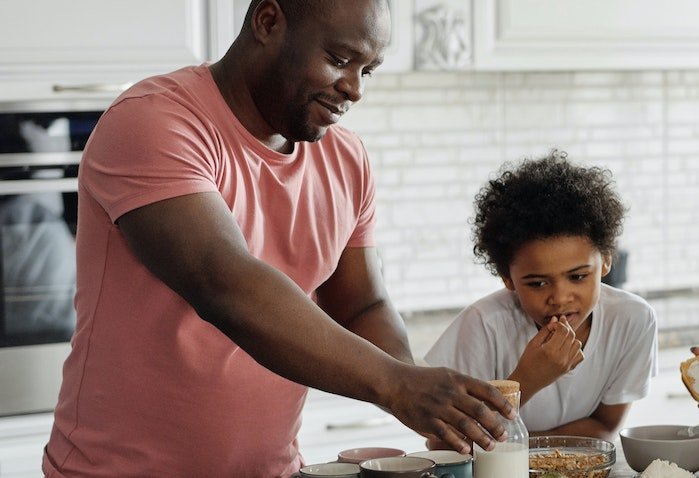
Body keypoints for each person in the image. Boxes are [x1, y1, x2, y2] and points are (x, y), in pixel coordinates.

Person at [43, 1, 512, 476]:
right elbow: (224, 285)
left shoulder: (345, 159)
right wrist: (395, 385)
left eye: (367, 70)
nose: (354, 88)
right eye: (339, 59)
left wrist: (420, 392)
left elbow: (361, 305)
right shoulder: (154, 121)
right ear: (268, 22)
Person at [426, 151, 657, 440]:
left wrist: (521, 446)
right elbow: (442, 442)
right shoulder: (484, 325)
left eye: (578, 277)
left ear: (607, 261)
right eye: (537, 283)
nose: (560, 298)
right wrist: (527, 380)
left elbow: (605, 427)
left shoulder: (633, 319)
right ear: (507, 278)